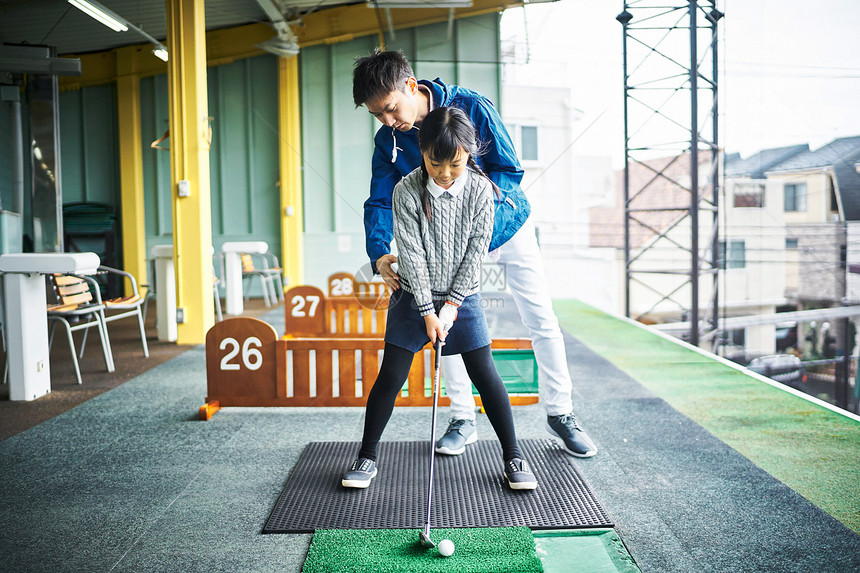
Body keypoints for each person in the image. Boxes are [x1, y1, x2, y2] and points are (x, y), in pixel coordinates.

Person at [353, 49, 598, 458]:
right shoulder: (388, 142)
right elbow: (379, 200)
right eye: (377, 116)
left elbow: (508, 172)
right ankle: (463, 418)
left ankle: (562, 414)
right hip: (442, 237)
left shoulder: (471, 105)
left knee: (539, 315)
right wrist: (379, 253)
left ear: (411, 87)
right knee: (444, 324)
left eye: (391, 109)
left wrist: (479, 236)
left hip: (504, 224)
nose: (387, 122)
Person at [342, 107, 537, 491]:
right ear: (422, 149)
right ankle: (366, 457)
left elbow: (475, 253)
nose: (445, 173)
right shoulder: (406, 190)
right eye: (435, 163)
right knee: (391, 377)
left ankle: (513, 456)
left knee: (487, 375)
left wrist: (449, 308)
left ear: (468, 153)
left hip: (463, 300)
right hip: (412, 297)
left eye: (456, 164)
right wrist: (428, 312)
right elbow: (411, 255)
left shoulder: (483, 190)